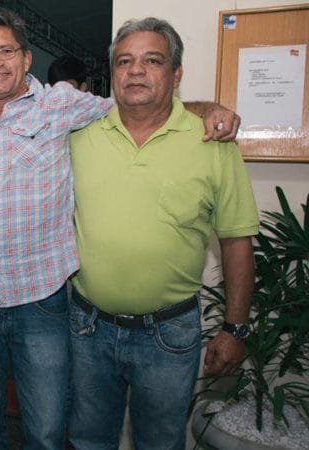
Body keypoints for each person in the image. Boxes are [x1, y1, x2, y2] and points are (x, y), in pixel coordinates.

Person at [0, 10, 241, 449]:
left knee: (46, 429)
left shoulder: (62, 105)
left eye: (5, 51)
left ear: (25, 59)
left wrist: (206, 109)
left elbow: (137, 103)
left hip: (40, 301)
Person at [67, 17, 258, 449]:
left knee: (161, 443)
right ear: (112, 72)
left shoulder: (211, 142)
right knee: (86, 440)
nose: (136, 71)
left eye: (152, 61)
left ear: (175, 75)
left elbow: (236, 241)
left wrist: (235, 328)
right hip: (87, 329)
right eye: (124, 61)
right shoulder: (78, 134)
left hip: (169, 336)